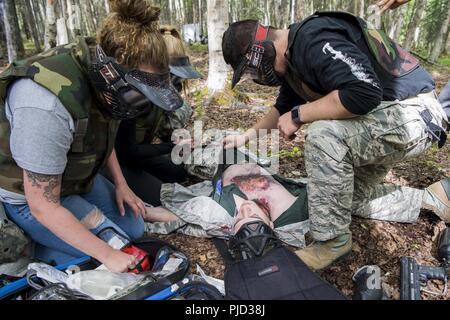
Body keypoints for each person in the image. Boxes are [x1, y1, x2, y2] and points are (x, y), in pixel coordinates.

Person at [220, 11, 449, 270]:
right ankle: (433, 199)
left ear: (262, 51)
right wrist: (246, 137)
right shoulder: (295, 61)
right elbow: (281, 109)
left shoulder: (312, 39)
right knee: (342, 198)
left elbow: (364, 92)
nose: (259, 78)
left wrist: (299, 115)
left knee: (323, 134)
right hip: (390, 117)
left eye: (252, 70)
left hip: (416, 114)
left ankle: (331, 242)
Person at [0, 0, 184, 272]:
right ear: (111, 75)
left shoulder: (101, 70)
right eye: (136, 96)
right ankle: (25, 246)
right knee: (110, 249)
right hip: (25, 195)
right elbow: (42, 204)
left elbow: (99, 128)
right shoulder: (44, 103)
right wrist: (109, 256)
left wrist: (121, 184)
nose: (139, 107)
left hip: (71, 175)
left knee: (131, 225)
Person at [114, 25, 201, 206]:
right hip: (117, 159)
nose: (175, 84)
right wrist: (171, 146)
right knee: (157, 196)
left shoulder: (161, 93)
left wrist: (182, 143)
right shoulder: (133, 93)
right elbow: (127, 151)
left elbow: (163, 129)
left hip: (136, 152)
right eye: (172, 77)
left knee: (177, 173)